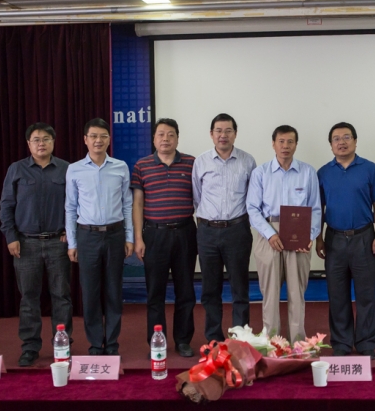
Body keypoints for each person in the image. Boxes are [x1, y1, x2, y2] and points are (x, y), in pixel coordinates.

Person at [0, 122, 72, 367]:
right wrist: (11, 237)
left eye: (46, 139)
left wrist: (70, 232)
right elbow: (6, 206)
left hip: (58, 243)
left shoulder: (66, 169)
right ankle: (30, 347)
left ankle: (62, 345)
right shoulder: (17, 169)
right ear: (29, 144)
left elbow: (76, 204)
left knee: (61, 296)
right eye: (36, 140)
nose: (41, 144)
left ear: (53, 142)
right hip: (25, 243)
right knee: (29, 297)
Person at [316, 122, 375, 359]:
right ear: (331, 145)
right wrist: (318, 239)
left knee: (366, 294)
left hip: (364, 238)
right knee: (337, 294)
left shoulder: (370, 169)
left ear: (355, 141)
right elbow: (318, 209)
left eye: (347, 137)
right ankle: (341, 342)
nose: (342, 142)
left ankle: (366, 342)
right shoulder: (323, 173)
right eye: (336, 139)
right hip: (334, 239)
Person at [65, 118, 133, 356]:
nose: (98, 140)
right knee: (91, 293)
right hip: (87, 236)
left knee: (114, 292)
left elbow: (127, 204)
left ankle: (112, 343)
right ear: (85, 139)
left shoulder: (120, 167)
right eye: (93, 136)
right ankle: (95, 344)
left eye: (103, 136)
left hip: (115, 234)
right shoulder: (74, 169)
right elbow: (70, 208)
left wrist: (129, 237)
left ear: (109, 139)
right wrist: (72, 243)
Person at [247, 125, 321, 342]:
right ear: (273, 144)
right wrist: (270, 234)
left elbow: (316, 209)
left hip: (300, 234)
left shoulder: (308, 172)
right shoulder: (261, 173)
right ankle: (272, 343)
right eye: (281, 141)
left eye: (290, 142)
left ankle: (298, 343)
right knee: (270, 293)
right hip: (269, 232)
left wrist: (310, 235)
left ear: (296, 145)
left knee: (297, 292)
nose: (285, 146)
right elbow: (252, 208)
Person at [131, 118, 197, 358]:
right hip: (154, 235)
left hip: (185, 232)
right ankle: (156, 340)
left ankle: (183, 340)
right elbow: (138, 204)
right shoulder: (142, 165)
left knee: (185, 290)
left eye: (171, 134)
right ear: (154, 139)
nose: (165, 139)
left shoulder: (192, 163)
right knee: (155, 293)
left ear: (177, 138)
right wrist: (139, 238)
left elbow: (201, 198)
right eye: (161, 134)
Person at [192, 113, 256, 342]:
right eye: (218, 130)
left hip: (237, 230)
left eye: (228, 130)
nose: (223, 135)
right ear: (211, 134)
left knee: (240, 287)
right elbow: (197, 197)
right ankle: (213, 338)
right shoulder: (201, 162)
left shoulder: (248, 161)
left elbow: (252, 198)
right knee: (210, 289)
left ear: (235, 134)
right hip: (207, 231)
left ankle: (240, 338)